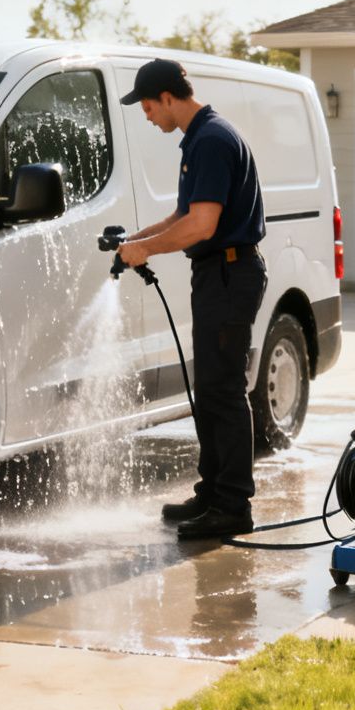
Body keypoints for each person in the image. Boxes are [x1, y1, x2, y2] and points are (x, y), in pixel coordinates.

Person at [115, 59, 267, 540]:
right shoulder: (202, 139)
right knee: (212, 387)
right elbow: (185, 214)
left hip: (229, 273)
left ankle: (233, 505)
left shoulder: (212, 141)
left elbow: (201, 226)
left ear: (166, 97)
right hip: (218, 273)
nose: (146, 116)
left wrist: (145, 250)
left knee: (223, 390)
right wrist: (134, 240)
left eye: (146, 106)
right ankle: (213, 491)